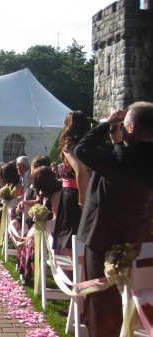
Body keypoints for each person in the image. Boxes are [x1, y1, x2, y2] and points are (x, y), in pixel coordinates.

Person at [75, 102, 153, 337]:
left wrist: (107, 124)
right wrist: (118, 142)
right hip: (136, 238)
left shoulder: (121, 161)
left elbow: (83, 150)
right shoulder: (139, 159)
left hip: (103, 240)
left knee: (102, 305)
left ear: (130, 126)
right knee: (130, 300)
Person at [52, 111, 90, 254]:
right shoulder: (89, 145)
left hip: (74, 195)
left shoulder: (69, 147)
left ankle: (76, 273)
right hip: (87, 191)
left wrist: (82, 201)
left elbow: (81, 171)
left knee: (71, 236)